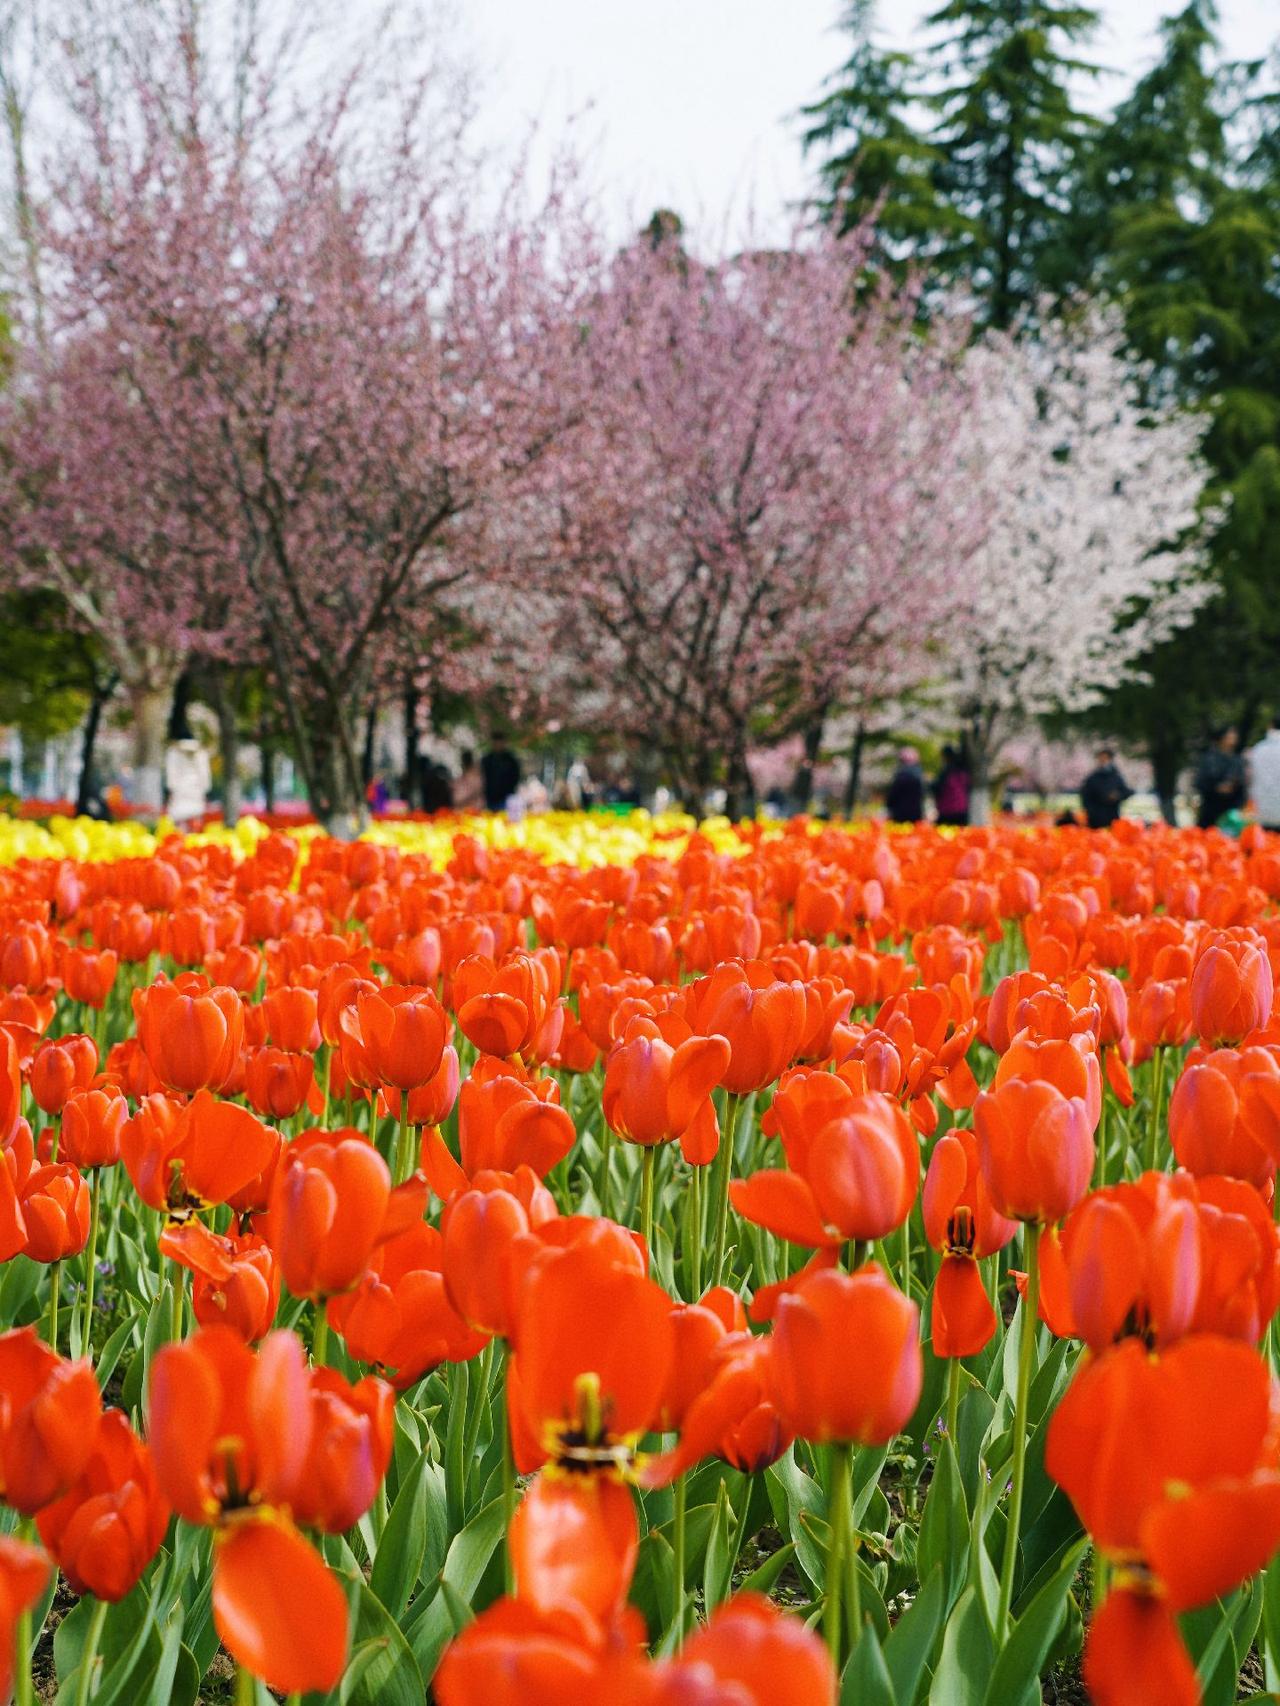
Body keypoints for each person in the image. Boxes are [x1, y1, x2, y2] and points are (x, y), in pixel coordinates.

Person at [1195, 727, 1246, 829]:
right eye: (1229, 736)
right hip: (1211, 810)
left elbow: (1242, 784)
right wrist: (1216, 788)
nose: (1232, 739)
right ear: (1221, 738)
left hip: (1231, 812)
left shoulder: (1237, 760)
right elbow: (1201, 782)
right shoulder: (1209, 759)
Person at [1080, 748, 1133, 831]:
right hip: (1095, 818)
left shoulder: (1116, 777)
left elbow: (1127, 792)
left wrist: (1117, 796)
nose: (1102, 761)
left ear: (1110, 760)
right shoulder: (1092, 778)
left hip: (1112, 816)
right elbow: (1085, 796)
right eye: (1100, 758)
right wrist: (1091, 811)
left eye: (1105, 758)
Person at [164, 736, 211, 827]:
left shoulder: (173, 752)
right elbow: (204, 774)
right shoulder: (201, 752)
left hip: (181, 789)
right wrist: (205, 789)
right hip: (195, 789)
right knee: (195, 817)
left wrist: (171, 788)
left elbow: (171, 773)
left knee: (180, 818)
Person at [1248, 716, 1280, 832]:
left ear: (1270, 726)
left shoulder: (1258, 749)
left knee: (1265, 849)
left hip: (1261, 812)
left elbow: (1250, 779)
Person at [933, 744, 971, 827]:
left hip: (947, 810)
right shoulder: (964, 771)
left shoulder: (946, 772)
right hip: (962, 809)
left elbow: (938, 789)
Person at [885, 747, 925, 824]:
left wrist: (889, 806)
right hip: (915, 811)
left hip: (900, 812)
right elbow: (922, 794)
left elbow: (893, 794)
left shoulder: (901, 774)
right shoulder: (918, 774)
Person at [480, 738, 521, 813]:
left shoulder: (510, 760)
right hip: (490, 797)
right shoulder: (487, 759)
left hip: (506, 796)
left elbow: (515, 777)